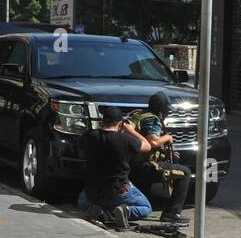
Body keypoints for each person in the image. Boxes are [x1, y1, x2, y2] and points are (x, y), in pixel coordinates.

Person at [77, 106, 152, 229]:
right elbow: (147, 146)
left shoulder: (89, 136)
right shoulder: (125, 139)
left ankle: (99, 211)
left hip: (94, 190)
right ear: (120, 124)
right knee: (146, 208)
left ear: (102, 121)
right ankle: (121, 212)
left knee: (82, 201)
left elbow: (81, 144)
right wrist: (131, 130)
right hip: (119, 191)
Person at [130, 91, 192, 225]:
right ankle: (172, 214)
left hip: (131, 166)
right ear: (162, 110)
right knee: (185, 173)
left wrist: (164, 154)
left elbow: (146, 145)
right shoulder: (153, 119)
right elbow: (153, 142)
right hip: (144, 167)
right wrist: (168, 137)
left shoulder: (139, 116)